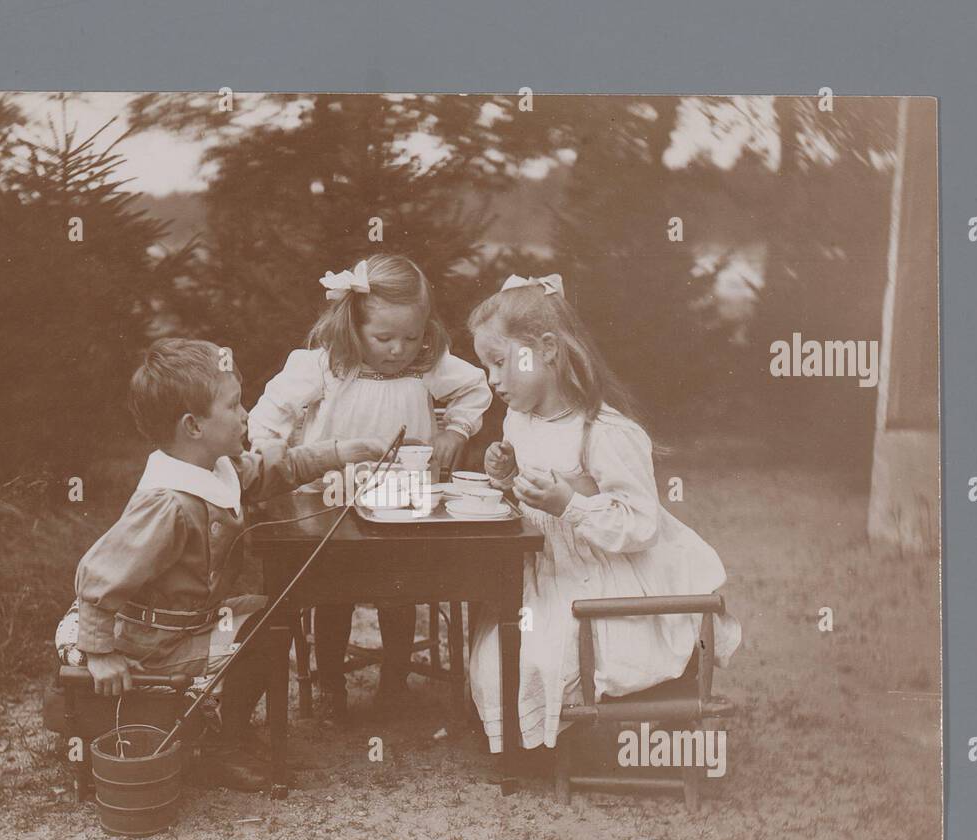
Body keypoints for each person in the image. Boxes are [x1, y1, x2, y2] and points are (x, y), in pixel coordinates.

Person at [56, 339, 385, 790]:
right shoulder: (167, 503)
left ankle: (229, 731)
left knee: (274, 615)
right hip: (154, 640)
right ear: (193, 425)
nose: (246, 413)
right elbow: (98, 577)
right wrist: (100, 652)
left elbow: (274, 470)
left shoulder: (216, 468)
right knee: (264, 630)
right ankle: (221, 747)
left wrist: (338, 452)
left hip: (189, 623)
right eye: (234, 405)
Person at [466, 274, 741, 753]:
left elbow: (640, 523)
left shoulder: (604, 431)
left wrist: (569, 504)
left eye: (500, 362)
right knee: (496, 658)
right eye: (485, 366)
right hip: (551, 570)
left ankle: (548, 741)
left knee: (538, 661)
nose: (492, 380)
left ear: (547, 350)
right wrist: (507, 475)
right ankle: (528, 740)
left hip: (605, 576)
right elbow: (530, 499)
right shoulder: (519, 419)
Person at [248, 253, 492, 719]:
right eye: (384, 337)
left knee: (398, 589)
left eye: (412, 336)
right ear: (351, 326)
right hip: (328, 501)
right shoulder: (324, 366)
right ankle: (331, 684)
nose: (399, 349)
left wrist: (455, 431)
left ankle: (395, 679)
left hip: (401, 504)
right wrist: (270, 457)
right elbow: (270, 412)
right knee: (332, 592)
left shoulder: (427, 364)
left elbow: (475, 387)